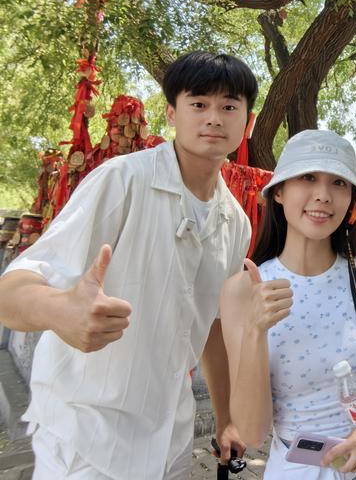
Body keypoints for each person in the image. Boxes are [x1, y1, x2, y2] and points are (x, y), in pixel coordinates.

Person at [0, 51, 258, 478]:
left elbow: (213, 327)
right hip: (86, 437)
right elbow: (11, 290)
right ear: (171, 113)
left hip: (171, 436)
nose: (214, 118)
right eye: (198, 104)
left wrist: (227, 417)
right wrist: (60, 311)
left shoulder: (236, 221)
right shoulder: (122, 180)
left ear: (247, 122)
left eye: (229, 106)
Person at [220, 129, 356, 479]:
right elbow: (252, 432)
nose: (323, 195)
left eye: (338, 183)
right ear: (278, 192)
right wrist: (256, 330)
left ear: (351, 200)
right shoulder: (242, 290)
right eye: (307, 177)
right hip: (302, 469)